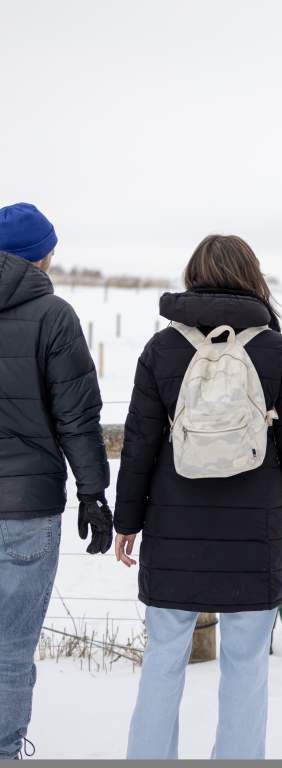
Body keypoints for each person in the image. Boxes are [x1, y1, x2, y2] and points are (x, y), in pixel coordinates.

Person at [114, 234, 282, 760]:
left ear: (193, 274)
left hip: (174, 531)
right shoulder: (276, 350)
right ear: (252, 275)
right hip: (255, 532)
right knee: (247, 666)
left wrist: (127, 520)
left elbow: (138, 443)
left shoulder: (161, 348)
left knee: (162, 660)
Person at [0, 203, 112, 761]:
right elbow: (77, 417)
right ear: (41, 255)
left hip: (27, 506)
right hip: (25, 509)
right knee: (11, 651)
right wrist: (93, 492)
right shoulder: (54, 315)